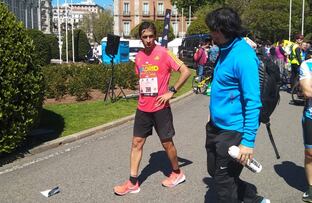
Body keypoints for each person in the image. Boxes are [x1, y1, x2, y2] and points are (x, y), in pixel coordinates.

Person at [113, 21, 191, 196]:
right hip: (143, 108)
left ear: (155, 36)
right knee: (136, 143)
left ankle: (177, 173)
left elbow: (186, 71)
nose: (148, 40)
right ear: (140, 38)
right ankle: (133, 182)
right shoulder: (139, 56)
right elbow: (141, 77)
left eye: (150, 36)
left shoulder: (164, 53)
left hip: (161, 108)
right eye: (144, 37)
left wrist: (172, 91)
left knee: (167, 143)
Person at [204, 7, 270, 203]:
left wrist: (248, 142)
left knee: (224, 182)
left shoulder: (243, 56)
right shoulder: (224, 49)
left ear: (224, 30)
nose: (210, 33)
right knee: (214, 171)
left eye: (213, 30)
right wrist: (211, 116)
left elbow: (253, 101)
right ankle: (253, 197)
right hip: (215, 126)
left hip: (233, 130)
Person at [300, 50, 312, 203]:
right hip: (311, 116)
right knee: (310, 154)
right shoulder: (307, 64)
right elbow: (307, 91)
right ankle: (311, 188)